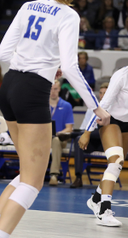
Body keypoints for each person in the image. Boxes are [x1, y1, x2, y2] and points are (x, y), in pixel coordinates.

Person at [0, 0, 109, 238]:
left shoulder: (27, 6)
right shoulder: (69, 15)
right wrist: (97, 106)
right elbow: (70, 68)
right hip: (32, 92)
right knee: (34, 182)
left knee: (26, 172)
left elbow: (2, 55)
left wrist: (35, 66)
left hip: (9, 86)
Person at [80, 66, 128, 227]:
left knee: (116, 167)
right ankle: (104, 210)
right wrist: (87, 131)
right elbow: (104, 105)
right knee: (116, 161)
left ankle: (95, 200)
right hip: (110, 120)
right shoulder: (121, 76)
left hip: (127, 124)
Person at [70, 82, 108, 188]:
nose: (102, 95)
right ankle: (78, 178)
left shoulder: (114, 109)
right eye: (100, 93)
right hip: (92, 142)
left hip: (107, 142)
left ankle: (70, 135)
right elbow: (84, 130)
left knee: (98, 132)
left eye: (105, 93)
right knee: (79, 139)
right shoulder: (92, 109)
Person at [48, 80, 74, 186]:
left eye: (55, 89)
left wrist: (58, 133)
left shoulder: (66, 105)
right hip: (44, 138)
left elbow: (69, 128)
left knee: (55, 140)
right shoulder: (42, 105)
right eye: (50, 89)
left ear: (59, 89)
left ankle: (54, 174)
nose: (53, 91)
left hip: (60, 139)